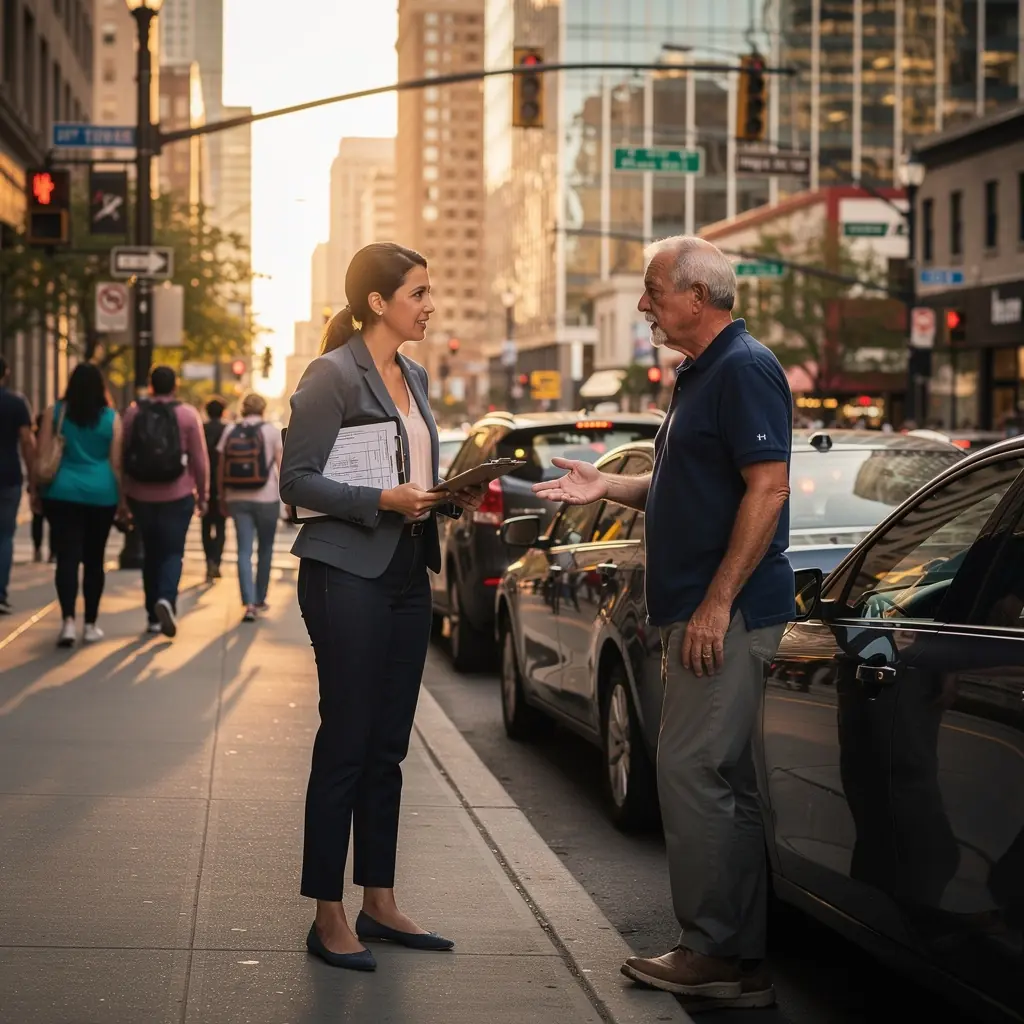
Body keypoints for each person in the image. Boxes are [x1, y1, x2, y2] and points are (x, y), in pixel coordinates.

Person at [534, 236, 794, 1009]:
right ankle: (737, 956)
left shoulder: (744, 368)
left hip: (727, 615)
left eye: (653, 291)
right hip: (701, 610)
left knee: (689, 773)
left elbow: (768, 490)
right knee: (725, 783)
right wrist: (604, 484)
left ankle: (713, 950)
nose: (644, 306)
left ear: (698, 296)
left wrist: (715, 604)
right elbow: (683, 487)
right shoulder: (699, 374)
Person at [280, 242, 484, 972]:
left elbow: (411, 468)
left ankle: (379, 899)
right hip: (344, 575)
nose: (430, 305)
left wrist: (441, 497)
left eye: (430, 292)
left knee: (389, 746)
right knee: (347, 738)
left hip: (405, 570)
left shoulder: (416, 374)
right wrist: (381, 500)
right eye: (419, 293)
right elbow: (297, 481)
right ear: (378, 302)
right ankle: (327, 914)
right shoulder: (330, 376)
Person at [36, 363, 125, 647]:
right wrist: (123, 501)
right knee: (94, 560)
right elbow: (117, 464)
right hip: (101, 495)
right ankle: (90, 624)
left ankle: (67, 623)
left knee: (67, 558)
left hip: (62, 492)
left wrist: (37, 492)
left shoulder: (55, 413)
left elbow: (42, 455)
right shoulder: (111, 418)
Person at [122, 365, 210, 638]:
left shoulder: (134, 412)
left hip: (141, 495)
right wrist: (203, 494)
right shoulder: (186, 415)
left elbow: (123, 455)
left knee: (150, 553)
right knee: (173, 552)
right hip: (178, 494)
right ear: (175, 386)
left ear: (151, 385)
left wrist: (124, 496)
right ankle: (166, 599)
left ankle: (152, 616)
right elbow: (200, 459)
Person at [217, 391, 283, 622]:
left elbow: (221, 466)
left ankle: (248, 604)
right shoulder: (272, 431)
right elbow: (280, 468)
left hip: (237, 497)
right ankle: (260, 597)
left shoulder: (230, 430)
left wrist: (222, 497)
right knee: (266, 549)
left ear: (243, 408)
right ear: (263, 409)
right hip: (267, 498)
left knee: (243, 551)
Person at [0, 356, 35, 614]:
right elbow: (26, 441)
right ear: (6, 373)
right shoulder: (16, 403)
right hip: (8, 475)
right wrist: (34, 476)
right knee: (5, 536)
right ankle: (0, 591)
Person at [202, 396, 229, 582]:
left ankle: (208, 562)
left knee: (205, 525)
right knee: (220, 526)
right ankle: (217, 562)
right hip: (223, 484)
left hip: (204, 482)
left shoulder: (201, 428)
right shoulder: (227, 429)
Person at [31, 413, 53, 563]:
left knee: (37, 518)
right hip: (53, 481)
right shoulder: (55, 438)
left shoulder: (35, 438)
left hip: (40, 481)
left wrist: (32, 486)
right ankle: (53, 552)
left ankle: (37, 548)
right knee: (54, 520)